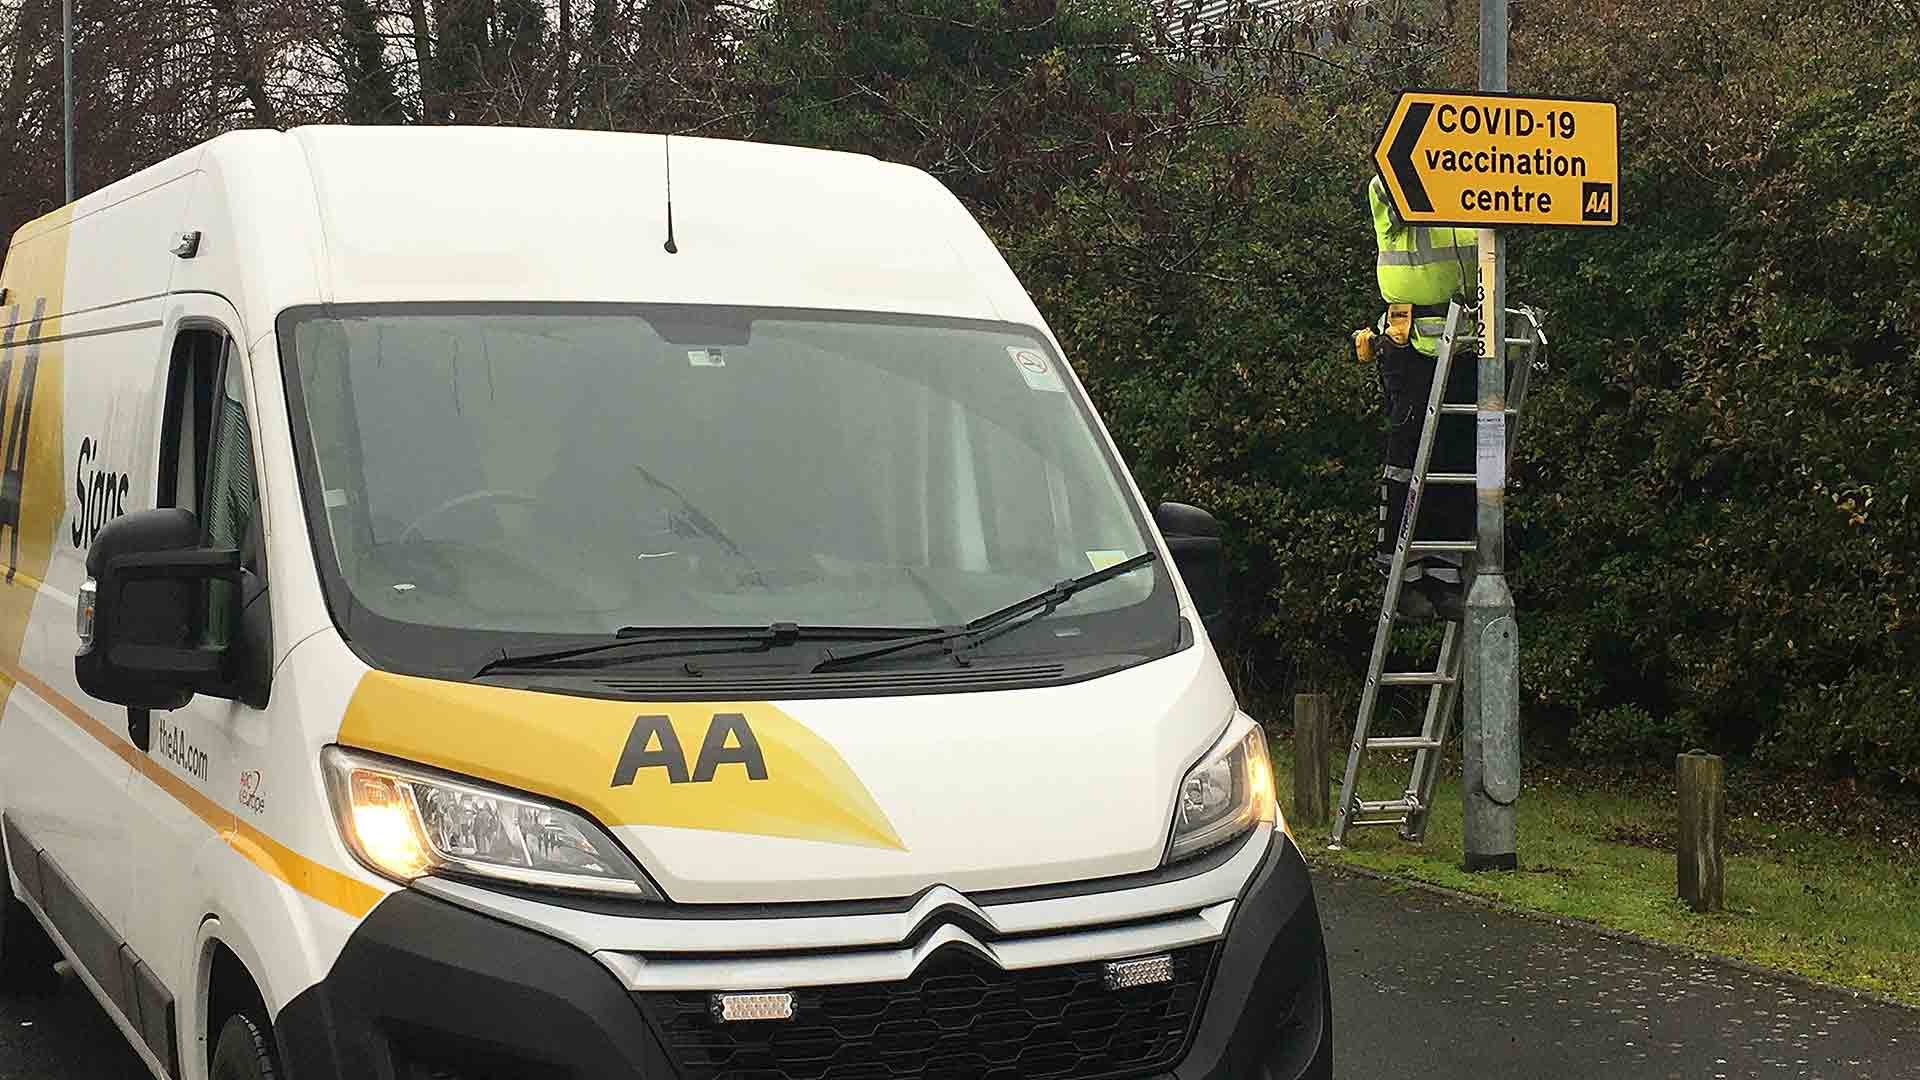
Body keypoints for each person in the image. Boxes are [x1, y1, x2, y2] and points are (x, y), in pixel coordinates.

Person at [1362, 173, 1477, 621]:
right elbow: (1391, 188)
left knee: (1458, 465)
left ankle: (1444, 578)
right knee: (1408, 461)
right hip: (1412, 347)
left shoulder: (1476, 190)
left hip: (1466, 344)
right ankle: (1400, 573)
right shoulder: (1391, 180)